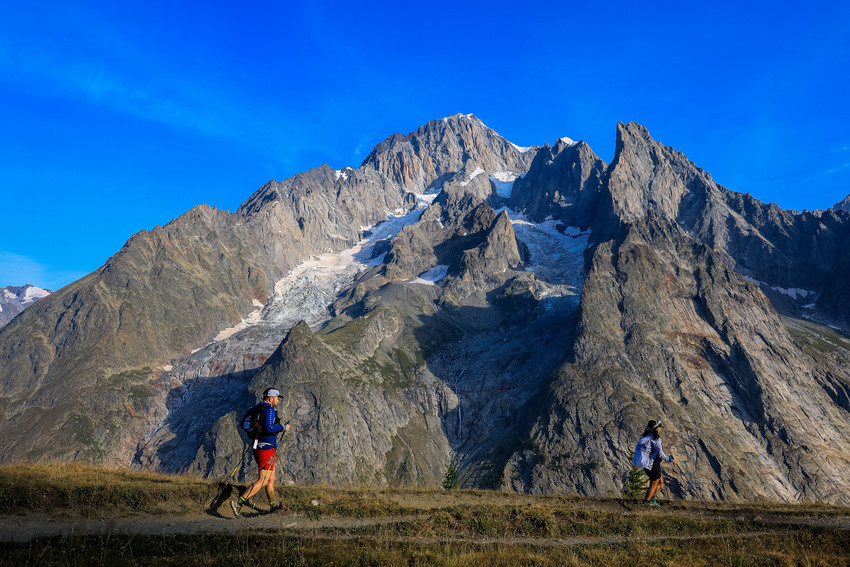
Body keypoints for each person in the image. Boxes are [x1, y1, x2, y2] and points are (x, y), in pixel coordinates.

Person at [230, 387, 290, 518]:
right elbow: (270, 427)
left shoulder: (254, 408)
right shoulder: (269, 410)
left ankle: (274, 507)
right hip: (266, 448)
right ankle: (238, 502)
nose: (278, 401)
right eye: (277, 398)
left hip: (259, 446)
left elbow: (243, 424)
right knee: (263, 479)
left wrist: (255, 434)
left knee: (271, 478)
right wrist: (283, 427)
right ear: (270, 398)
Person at [632, 419, 675, 507]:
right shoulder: (656, 439)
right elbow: (660, 453)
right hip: (653, 465)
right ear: (657, 429)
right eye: (660, 426)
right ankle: (646, 502)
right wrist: (670, 460)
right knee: (653, 484)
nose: (660, 428)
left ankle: (652, 499)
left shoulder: (644, 437)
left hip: (646, 465)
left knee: (660, 482)